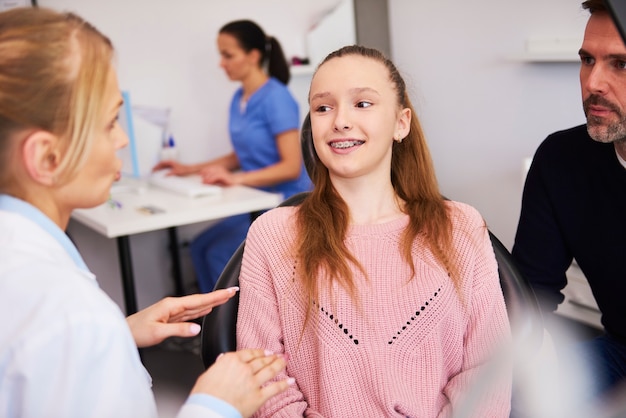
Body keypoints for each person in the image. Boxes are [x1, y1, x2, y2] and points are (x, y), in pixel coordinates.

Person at [0, 7, 294, 418]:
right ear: (47, 157)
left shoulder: (33, 280)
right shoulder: (70, 316)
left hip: (271, 198)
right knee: (209, 247)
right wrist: (218, 405)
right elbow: (59, 336)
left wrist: (118, 333)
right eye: (109, 122)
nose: (122, 139)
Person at [236, 45, 512, 417]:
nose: (340, 121)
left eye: (362, 104)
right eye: (323, 107)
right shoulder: (273, 234)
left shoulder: (461, 227)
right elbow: (263, 382)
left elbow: (488, 373)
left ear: (402, 123)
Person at [512, 0, 626, 400]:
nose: (593, 81)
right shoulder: (561, 160)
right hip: (620, 352)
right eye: (586, 59)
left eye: (620, 64)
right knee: (512, 393)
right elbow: (532, 296)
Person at [153, 20, 311, 293]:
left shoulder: (277, 98)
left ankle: (230, 331)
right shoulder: (240, 98)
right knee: (200, 246)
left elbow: (291, 166)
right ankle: (208, 329)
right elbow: (239, 155)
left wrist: (235, 180)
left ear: (253, 56)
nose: (221, 63)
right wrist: (187, 168)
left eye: (228, 55)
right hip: (255, 199)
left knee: (217, 253)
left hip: (285, 203)